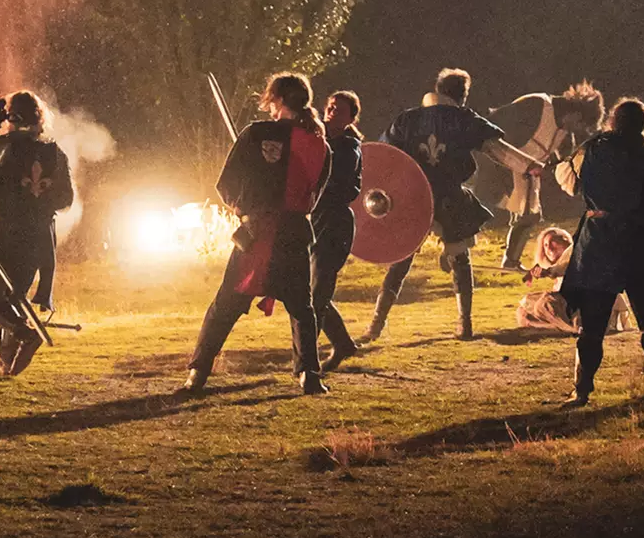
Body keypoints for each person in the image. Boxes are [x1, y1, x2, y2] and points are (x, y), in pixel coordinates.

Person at [363, 68, 540, 343]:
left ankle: (375, 325)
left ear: (438, 88)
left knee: (401, 260)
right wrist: (529, 166)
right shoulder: (463, 119)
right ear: (463, 95)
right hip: (449, 195)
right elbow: (497, 149)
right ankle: (464, 323)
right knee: (460, 259)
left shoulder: (408, 120)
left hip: (412, 198)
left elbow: (383, 154)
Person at [184, 72, 332, 396]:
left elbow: (225, 184)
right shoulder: (320, 144)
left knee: (225, 306)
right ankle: (309, 375)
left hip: (259, 233)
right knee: (301, 310)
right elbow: (314, 195)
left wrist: (241, 207)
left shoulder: (256, 134)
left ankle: (198, 371)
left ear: (276, 99)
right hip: (295, 232)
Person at [552, 97, 644, 408]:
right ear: (643, 125)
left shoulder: (590, 148)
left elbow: (568, 184)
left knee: (594, 322)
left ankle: (582, 391)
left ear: (613, 120)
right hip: (638, 241)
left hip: (599, 242)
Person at [0, 91, 74, 375]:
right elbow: (64, 200)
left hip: (8, 234)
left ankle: (26, 334)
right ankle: (5, 364)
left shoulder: (3, 146)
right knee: (12, 299)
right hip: (40, 239)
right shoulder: (54, 153)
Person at [496, 83, 605, 271]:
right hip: (499, 164)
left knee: (530, 215)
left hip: (526, 173)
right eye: (580, 124)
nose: (577, 129)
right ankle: (455, 245)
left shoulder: (565, 133)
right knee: (485, 206)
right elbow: (497, 123)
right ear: (576, 115)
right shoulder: (538, 105)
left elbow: (564, 161)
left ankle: (510, 260)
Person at [312, 90, 365, 372]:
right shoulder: (319, 139)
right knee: (311, 293)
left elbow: (331, 183)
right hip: (314, 221)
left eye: (339, 110)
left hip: (335, 225)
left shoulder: (347, 147)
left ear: (350, 118)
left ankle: (306, 360)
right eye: (330, 106)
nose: (332, 111)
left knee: (317, 295)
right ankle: (343, 343)